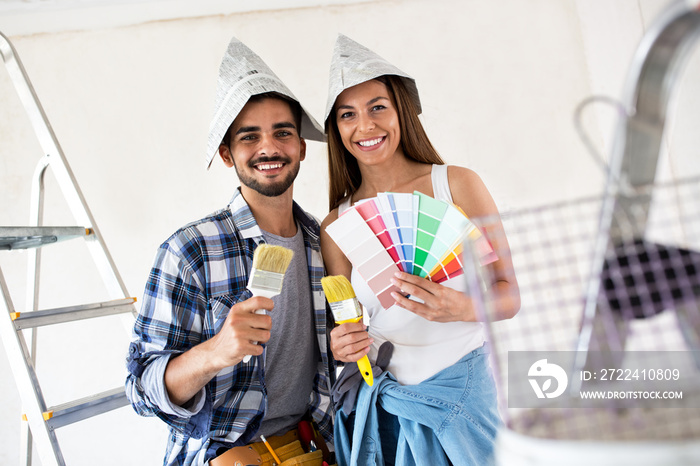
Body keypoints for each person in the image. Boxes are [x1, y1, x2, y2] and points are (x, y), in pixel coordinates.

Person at [125, 36, 336, 466]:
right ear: (227, 154)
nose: (269, 148)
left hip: (312, 447)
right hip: (227, 456)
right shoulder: (191, 250)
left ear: (301, 147)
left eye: (282, 133)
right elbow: (141, 390)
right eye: (249, 137)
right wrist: (216, 351)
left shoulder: (322, 243)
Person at [319, 34, 520, 465]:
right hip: (387, 407)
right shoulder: (337, 226)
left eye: (378, 107)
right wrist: (343, 345)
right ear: (336, 129)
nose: (365, 126)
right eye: (347, 115)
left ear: (401, 112)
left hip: (467, 393)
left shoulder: (457, 185)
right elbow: (346, 324)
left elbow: (509, 297)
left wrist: (461, 306)